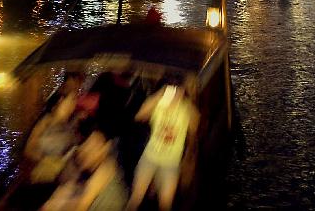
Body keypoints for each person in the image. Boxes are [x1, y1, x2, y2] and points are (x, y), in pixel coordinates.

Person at [126, 75, 200, 211]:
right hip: (150, 157)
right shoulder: (158, 104)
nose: (174, 94)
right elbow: (139, 116)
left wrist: (187, 97)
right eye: (171, 90)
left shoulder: (185, 110)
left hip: (171, 163)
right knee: (136, 198)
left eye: (178, 90)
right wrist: (160, 95)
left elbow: (196, 125)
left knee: (165, 204)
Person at [41, 130, 129, 211]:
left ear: (105, 148)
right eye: (86, 144)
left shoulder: (106, 168)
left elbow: (81, 207)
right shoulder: (86, 173)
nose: (86, 150)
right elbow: (69, 192)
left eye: (93, 146)